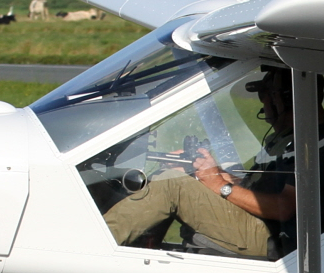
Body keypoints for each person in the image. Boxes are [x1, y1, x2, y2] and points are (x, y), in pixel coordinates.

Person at [104, 68, 308, 258]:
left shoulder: (311, 145)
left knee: (172, 185)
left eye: (265, 99)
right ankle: (136, 247)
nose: (264, 109)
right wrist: (212, 172)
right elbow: (256, 188)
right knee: (177, 175)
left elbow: (286, 207)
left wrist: (222, 186)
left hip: (271, 236)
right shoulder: (284, 139)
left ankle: (98, 242)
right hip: (259, 224)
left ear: (284, 100)